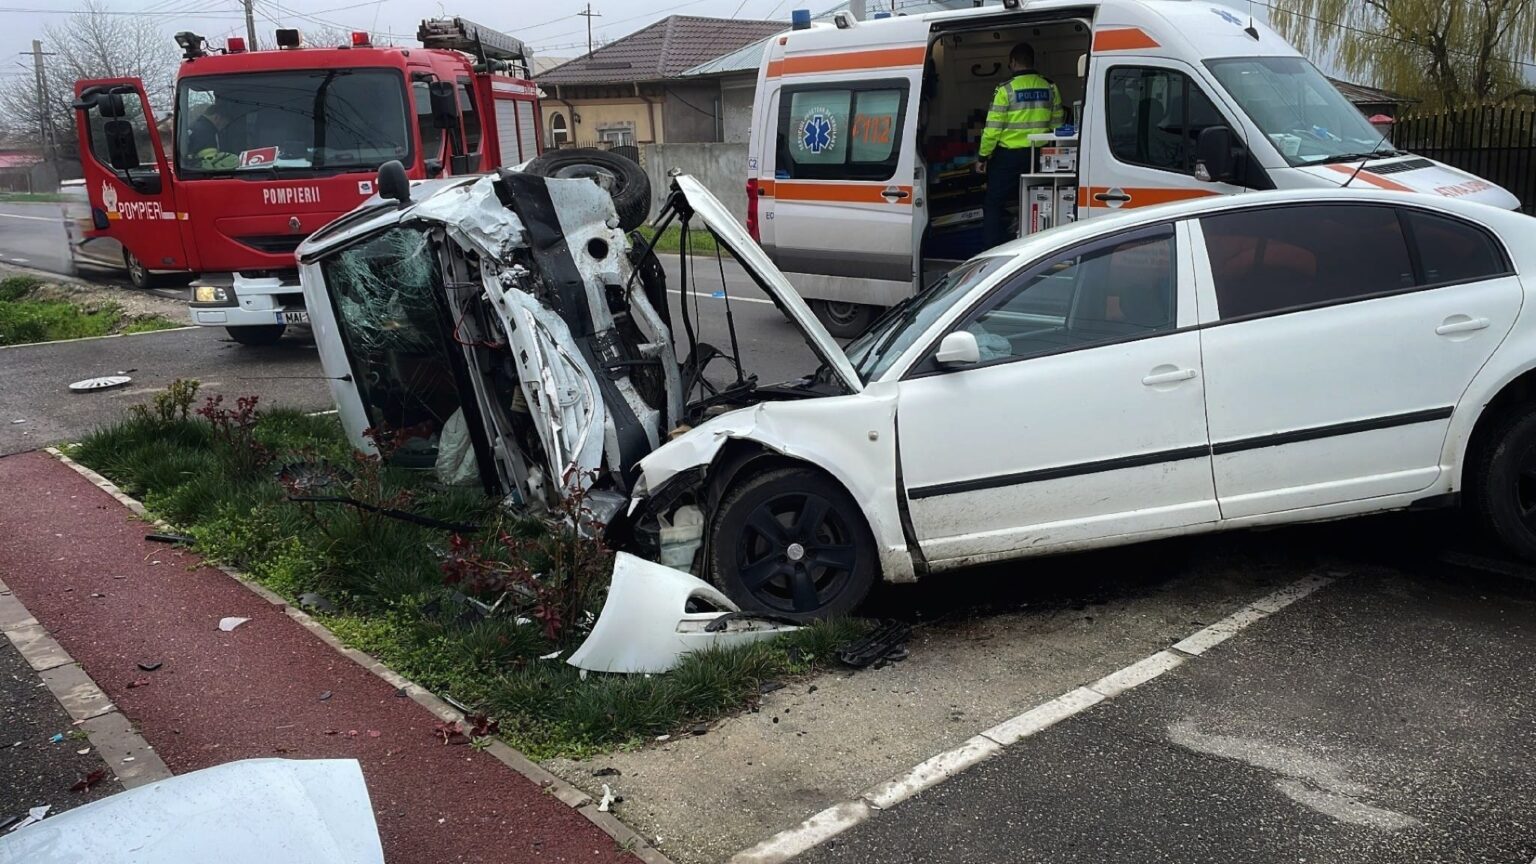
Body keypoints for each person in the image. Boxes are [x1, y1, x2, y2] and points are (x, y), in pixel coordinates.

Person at [977, 42, 1064, 248]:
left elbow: (992, 129)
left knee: (994, 203)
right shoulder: (1050, 87)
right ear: (1032, 61)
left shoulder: (1005, 89)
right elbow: (1058, 125)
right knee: (1040, 201)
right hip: (1040, 156)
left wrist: (982, 157)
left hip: (1008, 158)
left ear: (1013, 62)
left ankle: (992, 249)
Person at [187, 101, 239, 170]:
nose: (223, 129)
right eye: (224, 124)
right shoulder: (207, 132)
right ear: (217, 118)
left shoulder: (195, 126)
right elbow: (211, 162)